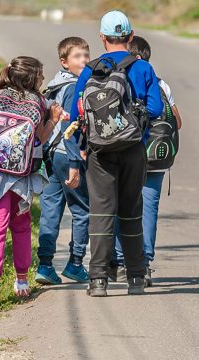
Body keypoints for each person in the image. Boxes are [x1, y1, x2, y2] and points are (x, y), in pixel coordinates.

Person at [69, 10, 163, 296]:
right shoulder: (143, 68)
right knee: (131, 210)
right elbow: (157, 109)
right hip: (134, 149)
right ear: (131, 36)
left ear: (102, 37)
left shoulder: (91, 68)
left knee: (102, 211)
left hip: (99, 152)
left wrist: (82, 150)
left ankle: (98, 280)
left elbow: (75, 113)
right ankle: (136, 277)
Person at [0, 56, 64, 307]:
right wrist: (52, 119)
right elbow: (40, 139)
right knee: (21, 227)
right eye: (41, 76)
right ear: (32, 78)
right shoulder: (40, 102)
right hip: (22, 178)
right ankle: (21, 282)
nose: (43, 79)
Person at [110, 35, 183, 287]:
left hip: (129, 152)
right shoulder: (163, 85)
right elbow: (177, 122)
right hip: (158, 156)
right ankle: (145, 263)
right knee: (149, 208)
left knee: (123, 206)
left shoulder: (121, 81)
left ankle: (120, 262)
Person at [35, 37, 91, 285]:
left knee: (50, 210)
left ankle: (45, 265)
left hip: (49, 157)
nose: (85, 60)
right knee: (81, 210)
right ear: (64, 61)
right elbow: (70, 127)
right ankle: (75, 263)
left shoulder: (54, 86)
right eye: (78, 56)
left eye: (86, 55)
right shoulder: (73, 87)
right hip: (67, 156)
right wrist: (74, 164)